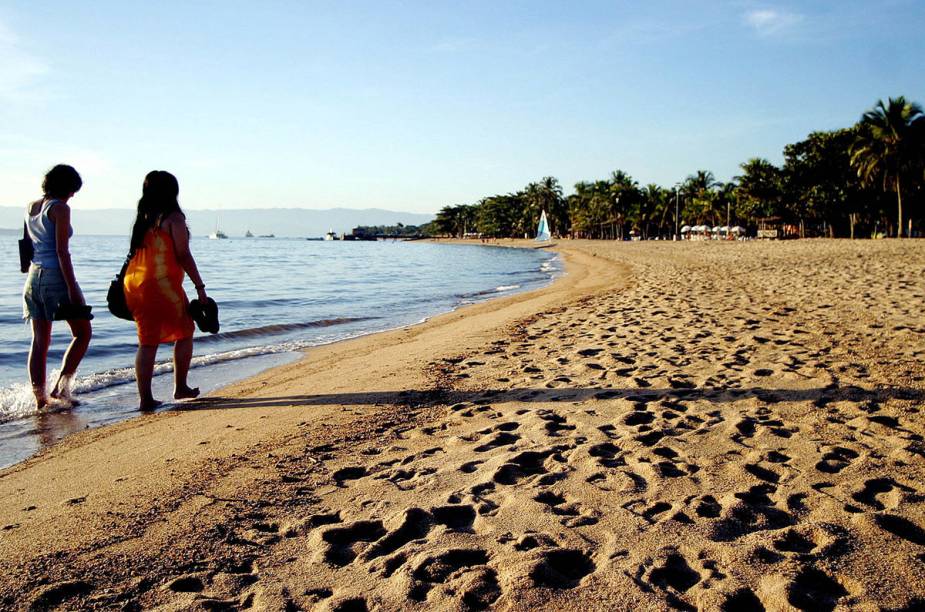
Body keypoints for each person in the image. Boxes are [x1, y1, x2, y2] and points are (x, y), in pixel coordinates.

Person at [123, 171, 209, 410]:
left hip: (134, 283)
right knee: (185, 331)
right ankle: (180, 387)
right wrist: (200, 287)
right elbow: (183, 254)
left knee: (147, 340)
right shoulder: (174, 219)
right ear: (173, 191)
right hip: (161, 285)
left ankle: (145, 398)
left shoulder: (145, 217)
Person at [22, 165, 93, 409]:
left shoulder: (31, 207)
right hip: (56, 277)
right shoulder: (60, 208)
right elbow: (62, 251)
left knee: (39, 341)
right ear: (66, 187)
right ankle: (61, 390)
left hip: (33, 277)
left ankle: (40, 400)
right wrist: (72, 287)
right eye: (73, 190)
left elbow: (30, 244)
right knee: (83, 333)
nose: (73, 195)